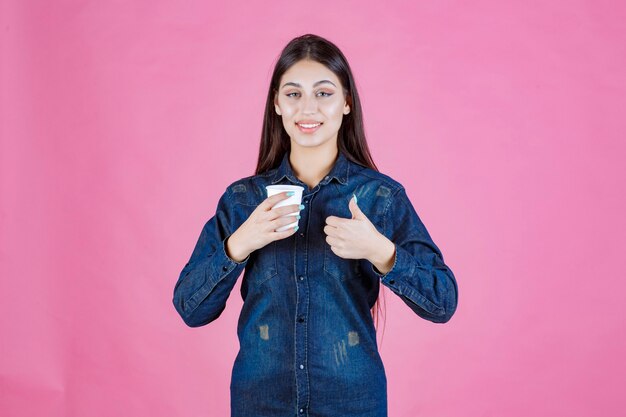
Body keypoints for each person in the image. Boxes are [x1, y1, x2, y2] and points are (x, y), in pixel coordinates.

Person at [172, 33, 458, 417]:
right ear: (276, 103)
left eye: (323, 93)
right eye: (293, 94)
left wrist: (380, 251)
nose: (308, 108)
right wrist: (238, 245)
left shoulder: (380, 197)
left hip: (352, 404)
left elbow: (442, 302)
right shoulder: (243, 201)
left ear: (346, 103)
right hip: (260, 404)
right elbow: (191, 309)